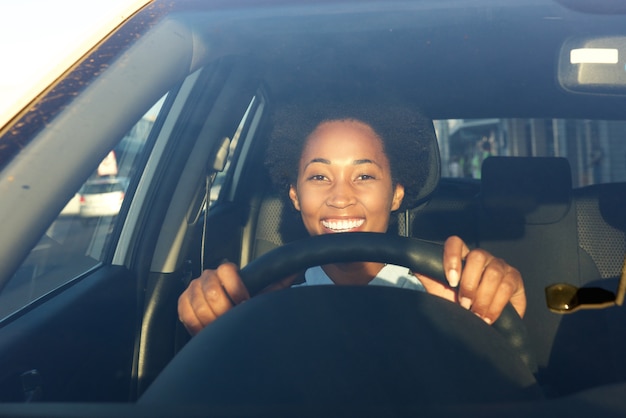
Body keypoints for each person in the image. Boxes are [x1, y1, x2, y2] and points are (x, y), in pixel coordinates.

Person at [178, 104, 526, 336]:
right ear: (295, 196)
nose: (340, 197)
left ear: (396, 194)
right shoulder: (257, 309)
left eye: (364, 176)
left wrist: (482, 320)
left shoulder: (447, 302)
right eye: (318, 177)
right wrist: (216, 321)